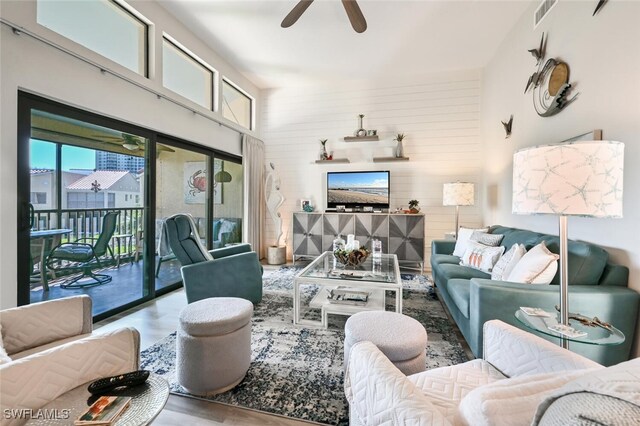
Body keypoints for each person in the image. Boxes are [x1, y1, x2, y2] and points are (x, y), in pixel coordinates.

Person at [264, 162, 285, 247]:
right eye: (272, 165)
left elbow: (278, 186)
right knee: (275, 216)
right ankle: (278, 234)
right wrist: (266, 196)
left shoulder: (276, 174)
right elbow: (266, 186)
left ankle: (278, 235)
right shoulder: (270, 174)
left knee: (276, 216)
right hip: (272, 196)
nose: (273, 166)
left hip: (275, 194)